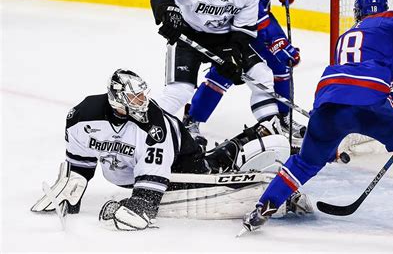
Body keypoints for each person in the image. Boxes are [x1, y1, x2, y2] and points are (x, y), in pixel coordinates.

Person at [240, 0, 393, 238]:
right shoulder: (388, 21)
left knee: (305, 162)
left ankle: (259, 212)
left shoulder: (345, 37)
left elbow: (352, 87)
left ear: (357, 13)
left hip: (327, 104)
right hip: (369, 100)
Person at [31, 69, 313, 231]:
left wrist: (137, 206)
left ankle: (251, 136)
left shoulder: (154, 126)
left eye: (143, 95)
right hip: (130, 168)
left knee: (209, 169)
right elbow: (80, 159)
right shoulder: (82, 117)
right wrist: (75, 183)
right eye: (134, 97)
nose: (142, 102)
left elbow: (147, 196)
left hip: (181, 157)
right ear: (117, 98)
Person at [150, 0, 281, 136]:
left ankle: (269, 128)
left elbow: (243, 30)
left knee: (262, 75)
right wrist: (169, 13)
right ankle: (143, 128)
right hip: (190, 36)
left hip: (225, 40)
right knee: (180, 91)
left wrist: (232, 54)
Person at [183, 0, 307, 148]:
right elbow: (252, 17)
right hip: (235, 27)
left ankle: (284, 118)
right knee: (224, 71)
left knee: (281, 64)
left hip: (263, 19)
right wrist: (276, 42)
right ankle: (192, 119)